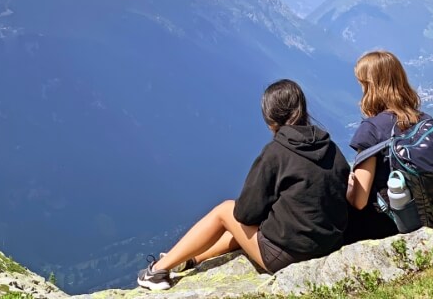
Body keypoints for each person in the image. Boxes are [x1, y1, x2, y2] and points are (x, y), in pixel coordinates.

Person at [137, 79, 350, 290]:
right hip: (328, 247)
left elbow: (245, 214)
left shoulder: (276, 153)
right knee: (254, 224)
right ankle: (192, 259)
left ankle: (156, 271)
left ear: (269, 120)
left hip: (288, 257)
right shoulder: (332, 149)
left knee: (225, 211)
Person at [345, 50, 427, 243]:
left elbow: (359, 201)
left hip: (388, 223)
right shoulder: (423, 121)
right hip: (423, 213)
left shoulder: (370, 130)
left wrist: (349, 186)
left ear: (370, 87)